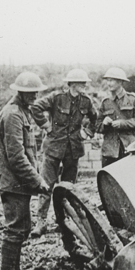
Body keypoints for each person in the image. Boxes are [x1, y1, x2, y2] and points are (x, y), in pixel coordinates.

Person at [0, 72, 50, 270]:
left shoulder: (21, 111)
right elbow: (16, 157)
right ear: (19, 92)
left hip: (16, 181)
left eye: (36, 92)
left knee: (22, 227)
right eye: (29, 93)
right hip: (12, 182)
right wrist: (37, 181)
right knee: (15, 228)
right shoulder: (13, 115)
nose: (34, 96)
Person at [29, 68, 97, 237]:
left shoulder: (86, 102)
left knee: (68, 187)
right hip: (53, 148)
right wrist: (46, 125)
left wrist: (87, 132)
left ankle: (64, 220)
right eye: (79, 83)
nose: (82, 86)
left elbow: (95, 118)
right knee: (46, 185)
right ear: (71, 84)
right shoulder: (57, 98)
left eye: (84, 83)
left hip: (73, 150)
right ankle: (41, 221)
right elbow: (36, 107)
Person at [96, 67, 135, 167]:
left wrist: (122, 123)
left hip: (129, 148)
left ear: (120, 82)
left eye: (111, 80)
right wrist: (104, 124)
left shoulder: (133, 99)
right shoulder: (105, 102)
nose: (108, 83)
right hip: (110, 151)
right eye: (107, 80)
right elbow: (97, 126)